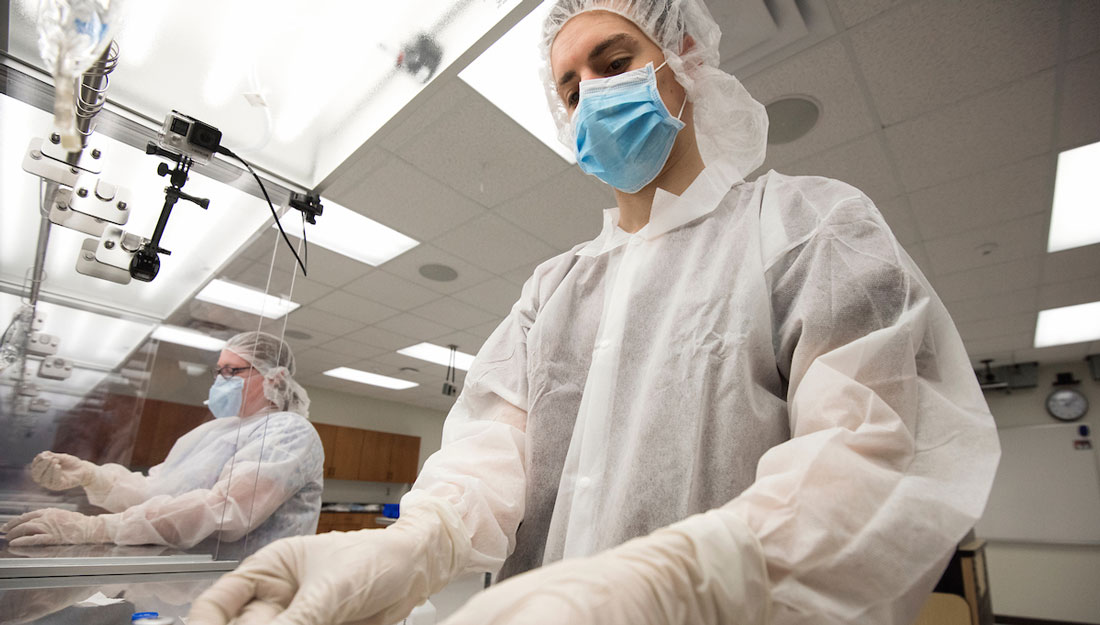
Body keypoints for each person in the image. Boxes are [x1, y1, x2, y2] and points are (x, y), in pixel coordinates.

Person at [187, 1, 1000, 624]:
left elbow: (868, 466)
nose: (592, 97)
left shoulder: (806, 230)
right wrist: (409, 546)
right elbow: (485, 464)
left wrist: (681, 579)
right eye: (571, 86)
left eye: (616, 61)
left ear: (684, 57)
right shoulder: (553, 292)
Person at [1, 331, 323, 559]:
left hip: (252, 590)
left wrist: (97, 527)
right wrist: (92, 476)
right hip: (190, 580)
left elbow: (226, 512)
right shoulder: (213, 433)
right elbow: (158, 491)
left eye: (231, 371)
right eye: (218, 371)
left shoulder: (289, 432)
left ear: (273, 378)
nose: (219, 381)